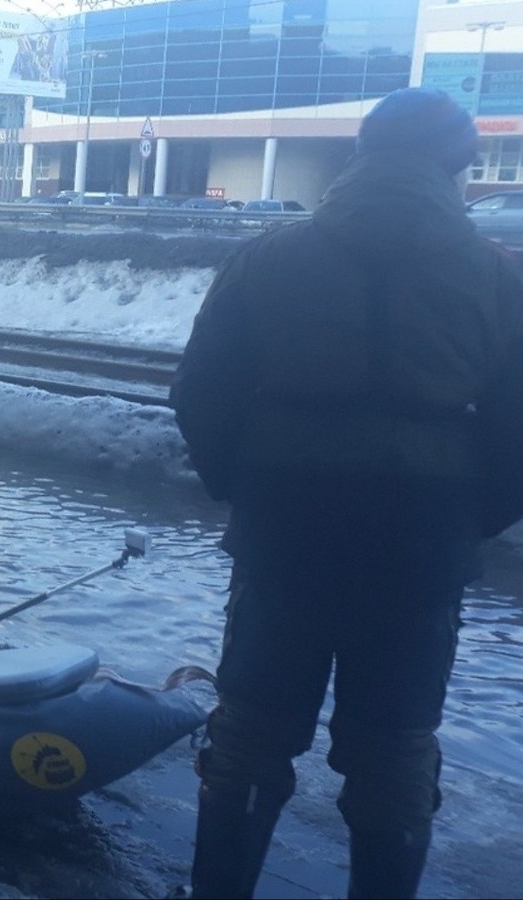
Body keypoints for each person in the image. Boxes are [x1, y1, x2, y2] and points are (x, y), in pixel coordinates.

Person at [171, 86, 523, 899]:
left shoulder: (270, 258)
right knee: (395, 746)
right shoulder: (499, 280)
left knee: (252, 733)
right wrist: (465, 523)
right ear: (457, 166)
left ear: (361, 154)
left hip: (286, 528)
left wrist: (245, 490)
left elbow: (201, 393)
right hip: (420, 542)